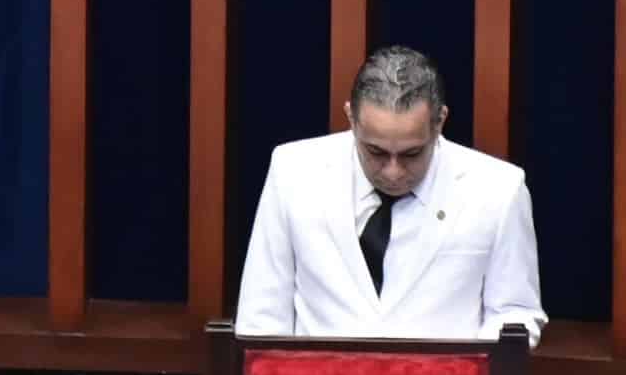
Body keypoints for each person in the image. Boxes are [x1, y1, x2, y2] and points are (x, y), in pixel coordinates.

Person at [233, 45, 546, 342]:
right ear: (351, 119)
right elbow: (262, 313)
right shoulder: (294, 172)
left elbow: (514, 312)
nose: (393, 171)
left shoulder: (498, 189)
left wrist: (463, 371)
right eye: (375, 152)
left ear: (440, 122)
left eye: (411, 154)